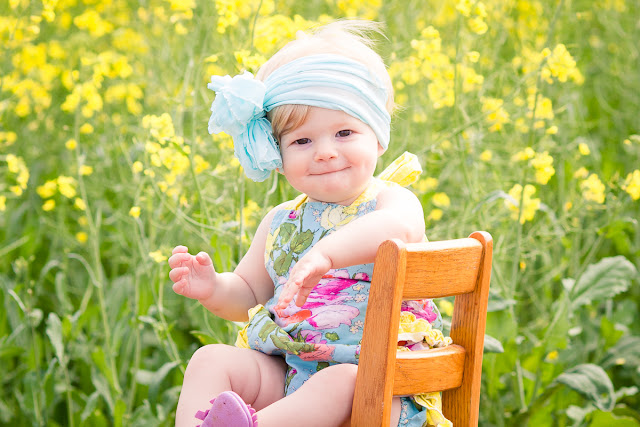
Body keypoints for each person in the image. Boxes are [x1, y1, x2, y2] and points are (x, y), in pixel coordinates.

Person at [169, 20, 450, 427]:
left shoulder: (391, 201)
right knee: (210, 359)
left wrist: (325, 254)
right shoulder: (282, 222)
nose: (324, 152)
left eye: (344, 132)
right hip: (292, 376)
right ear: (277, 155)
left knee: (338, 384)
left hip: (379, 385)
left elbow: (397, 229)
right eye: (302, 141)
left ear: (378, 137)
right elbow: (249, 293)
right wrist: (213, 289)